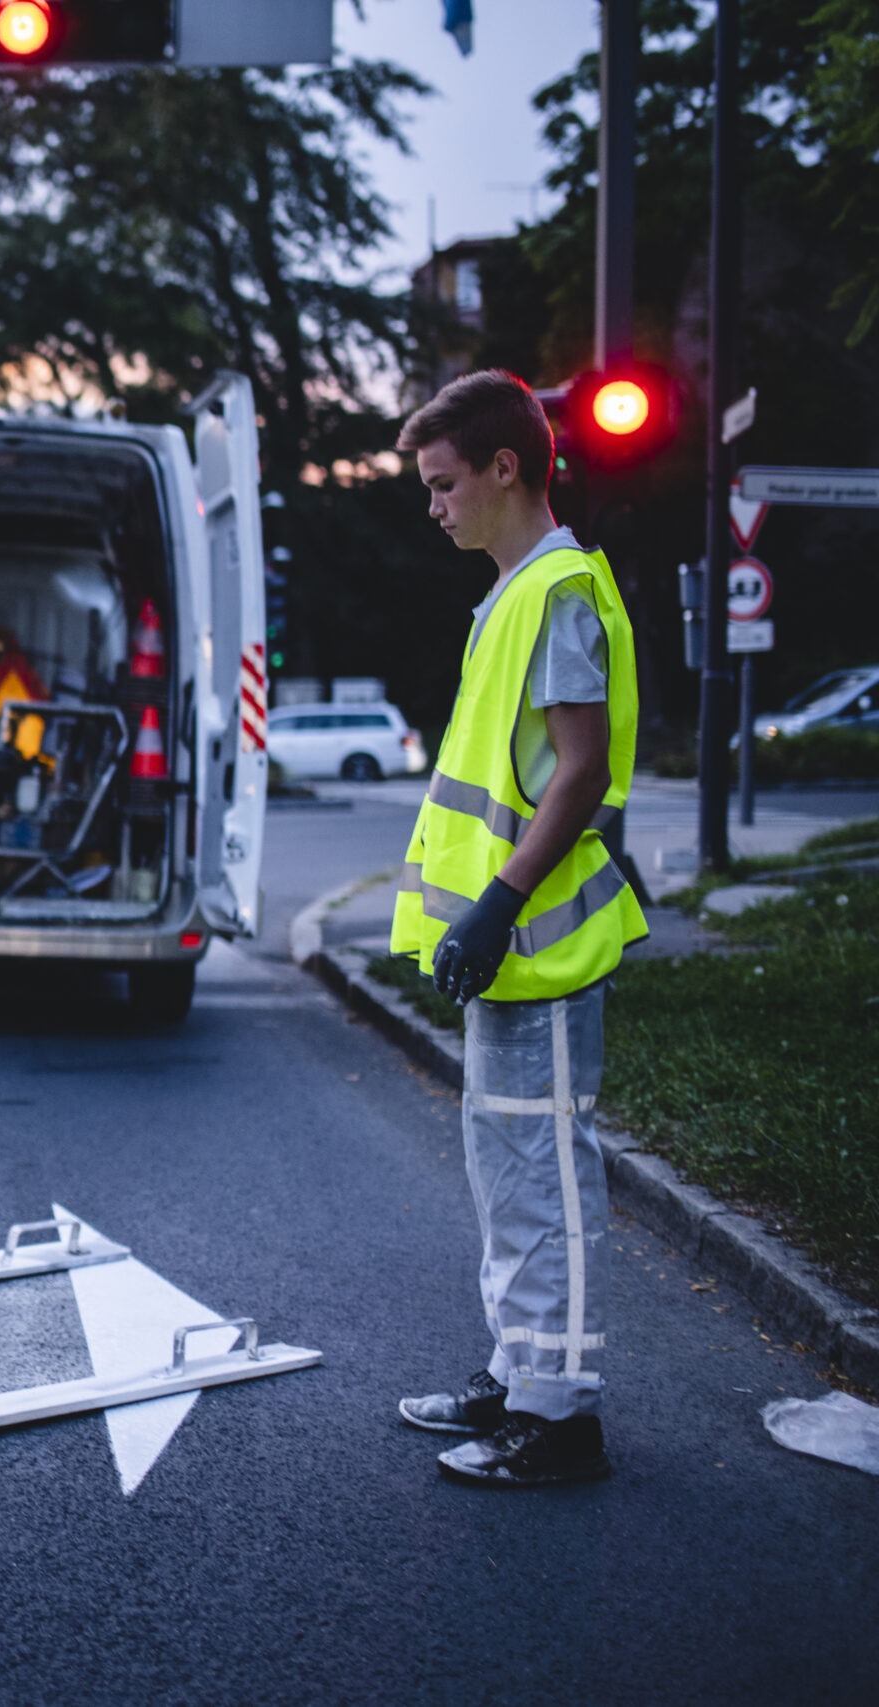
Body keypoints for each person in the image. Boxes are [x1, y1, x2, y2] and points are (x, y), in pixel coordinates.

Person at [390, 371, 646, 1488]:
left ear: (506, 468)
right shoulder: (513, 597)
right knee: (508, 1177)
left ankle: (559, 1417)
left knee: (544, 1179)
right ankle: (517, 1371)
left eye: (444, 484)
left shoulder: (558, 595)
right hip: (510, 949)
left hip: (537, 942)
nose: (433, 506)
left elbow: (579, 770)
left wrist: (495, 906)